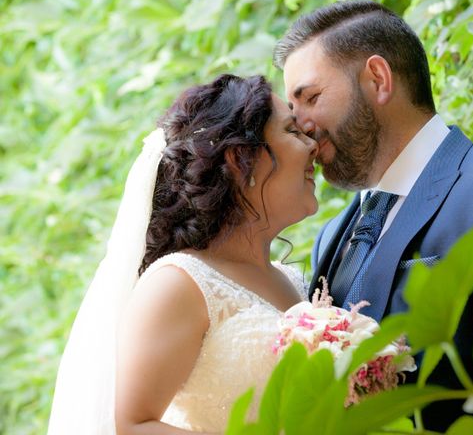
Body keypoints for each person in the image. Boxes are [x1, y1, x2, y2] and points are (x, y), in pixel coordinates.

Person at [273, 0, 473, 430]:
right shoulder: (333, 237)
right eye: (294, 109)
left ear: (378, 80)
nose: (301, 126)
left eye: (310, 97)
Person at [47, 74, 319, 434]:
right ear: (241, 159)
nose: (312, 144)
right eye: (293, 132)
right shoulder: (179, 283)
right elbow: (130, 426)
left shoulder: (291, 279)